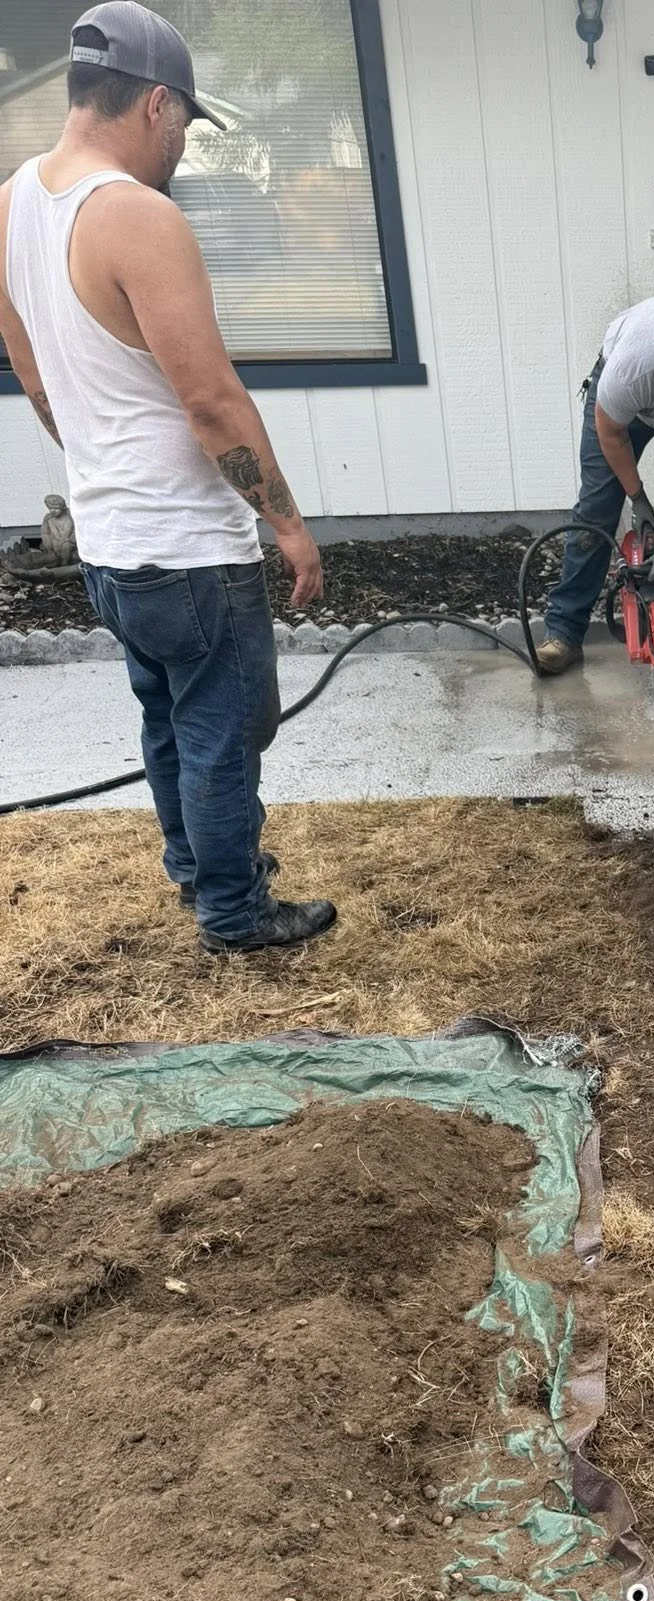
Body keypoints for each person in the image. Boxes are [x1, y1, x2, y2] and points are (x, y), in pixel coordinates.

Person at [0, 2, 335, 954]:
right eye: (186, 123)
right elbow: (213, 402)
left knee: (169, 721)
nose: (183, 144)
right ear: (154, 104)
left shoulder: (12, 203)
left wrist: (100, 469)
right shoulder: (139, 219)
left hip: (111, 547)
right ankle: (234, 910)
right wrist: (288, 525)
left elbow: (33, 376)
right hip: (189, 549)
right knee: (225, 732)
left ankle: (195, 869)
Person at [534, 296, 654, 675]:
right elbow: (612, 436)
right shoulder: (632, 374)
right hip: (631, 398)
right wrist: (637, 499)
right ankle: (564, 633)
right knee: (596, 508)